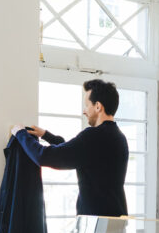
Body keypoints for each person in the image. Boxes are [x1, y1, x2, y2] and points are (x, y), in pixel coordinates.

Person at [11, 79, 129, 217]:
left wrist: (20, 134)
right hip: (116, 220)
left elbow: (43, 157)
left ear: (98, 106)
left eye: (87, 105)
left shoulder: (93, 136)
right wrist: (46, 135)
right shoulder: (118, 137)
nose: (84, 111)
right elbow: (75, 152)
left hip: (97, 223)